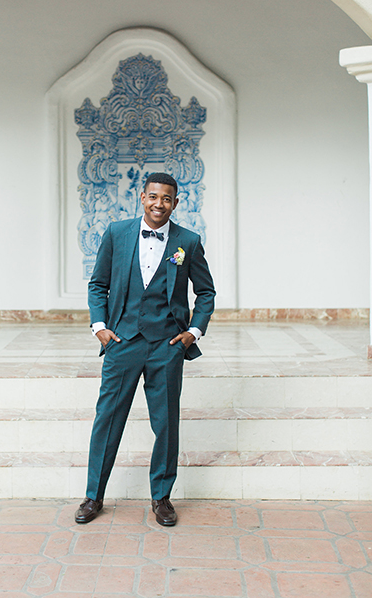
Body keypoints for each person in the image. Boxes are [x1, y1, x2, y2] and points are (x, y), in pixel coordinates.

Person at [75, 172, 216, 526]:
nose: (159, 204)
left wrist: (194, 331)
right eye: (153, 197)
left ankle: (162, 498)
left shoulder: (188, 242)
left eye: (166, 199)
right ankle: (93, 496)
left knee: (166, 423)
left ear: (176, 203)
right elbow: (98, 284)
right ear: (142, 197)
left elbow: (206, 292)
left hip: (166, 346)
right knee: (107, 419)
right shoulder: (117, 233)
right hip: (122, 343)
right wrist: (100, 327)